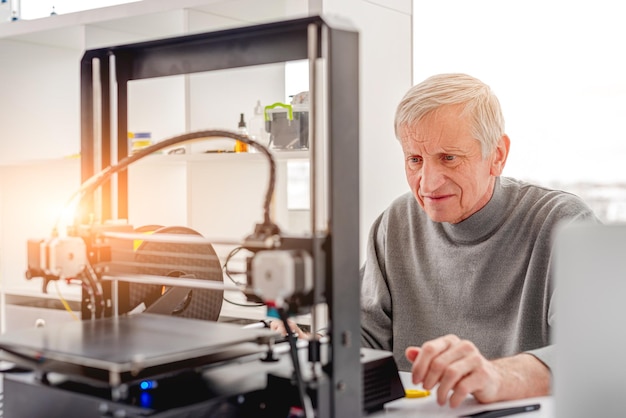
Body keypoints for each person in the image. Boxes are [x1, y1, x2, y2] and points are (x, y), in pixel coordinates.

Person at [273, 73, 599, 408]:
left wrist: (497, 376)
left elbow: (599, 350)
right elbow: (364, 335)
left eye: (449, 158)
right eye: (415, 160)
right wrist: (314, 347)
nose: (427, 183)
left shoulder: (564, 222)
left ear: (497, 155)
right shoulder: (395, 222)